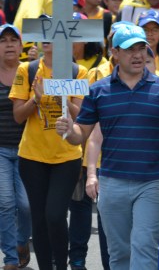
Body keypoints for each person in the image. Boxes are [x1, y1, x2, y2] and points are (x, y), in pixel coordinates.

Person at [55, 24, 159, 270]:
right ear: (115, 52)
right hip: (112, 182)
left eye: (141, 48)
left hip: (153, 182)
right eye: (130, 50)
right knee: (119, 254)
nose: (138, 55)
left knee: (144, 247)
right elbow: (80, 135)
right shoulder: (98, 90)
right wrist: (68, 129)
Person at [10, 36, 88, 270]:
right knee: (39, 219)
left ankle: (61, 266)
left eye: (53, 36)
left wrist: (61, 95)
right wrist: (36, 99)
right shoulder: (28, 69)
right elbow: (18, 116)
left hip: (67, 156)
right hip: (32, 156)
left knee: (55, 215)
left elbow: (82, 116)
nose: (47, 40)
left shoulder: (79, 72)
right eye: (44, 35)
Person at [0, 25, 30, 270]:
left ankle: (22, 242)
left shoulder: (30, 71)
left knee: (26, 204)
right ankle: (10, 257)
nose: (9, 44)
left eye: (13, 40)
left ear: (21, 46)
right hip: (0, 150)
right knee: (6, 203)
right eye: (3, 40)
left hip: (27, 148)